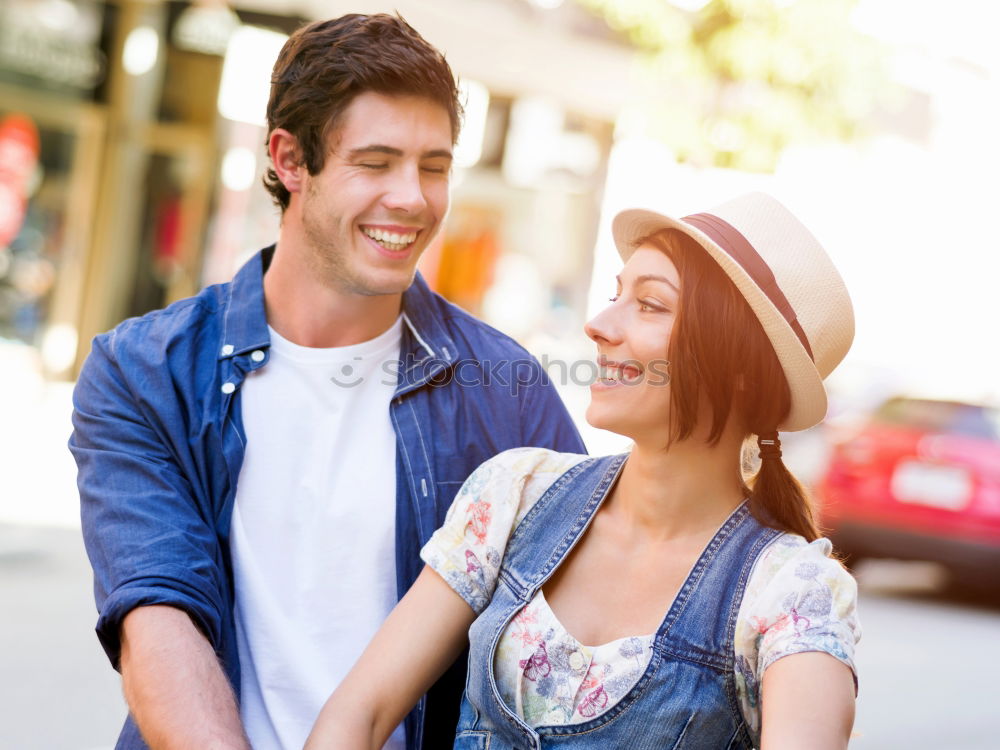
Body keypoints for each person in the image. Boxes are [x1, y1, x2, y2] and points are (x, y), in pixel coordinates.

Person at [69, 14, 584, 750]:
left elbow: (575, 632)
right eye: (375, 162)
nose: (412, 197)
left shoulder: (506, 390)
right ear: (288, 159)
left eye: (433, 166)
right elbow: (158, 618)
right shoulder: (143, 372)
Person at [305, 192, 861, 749]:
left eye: (650, 304)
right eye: (616, 295)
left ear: (741, 367)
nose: (597, 325)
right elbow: (362, 714)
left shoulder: (791, 594)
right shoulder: (515, 494)